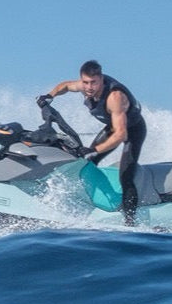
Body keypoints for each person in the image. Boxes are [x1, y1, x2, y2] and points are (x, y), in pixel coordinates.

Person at [37, 60, 147, 225]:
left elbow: (121, 135)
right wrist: (49, 96)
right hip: (113, 127)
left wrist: (94, 149)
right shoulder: (84, 86)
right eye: (86, 82)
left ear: (101, 79)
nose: (89, 87)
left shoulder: (115, 97)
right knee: (86, 163)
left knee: (125, 175)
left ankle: (130, 221)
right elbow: (65, 86)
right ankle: (90, 204)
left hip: (132, 131)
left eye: (93, 83)